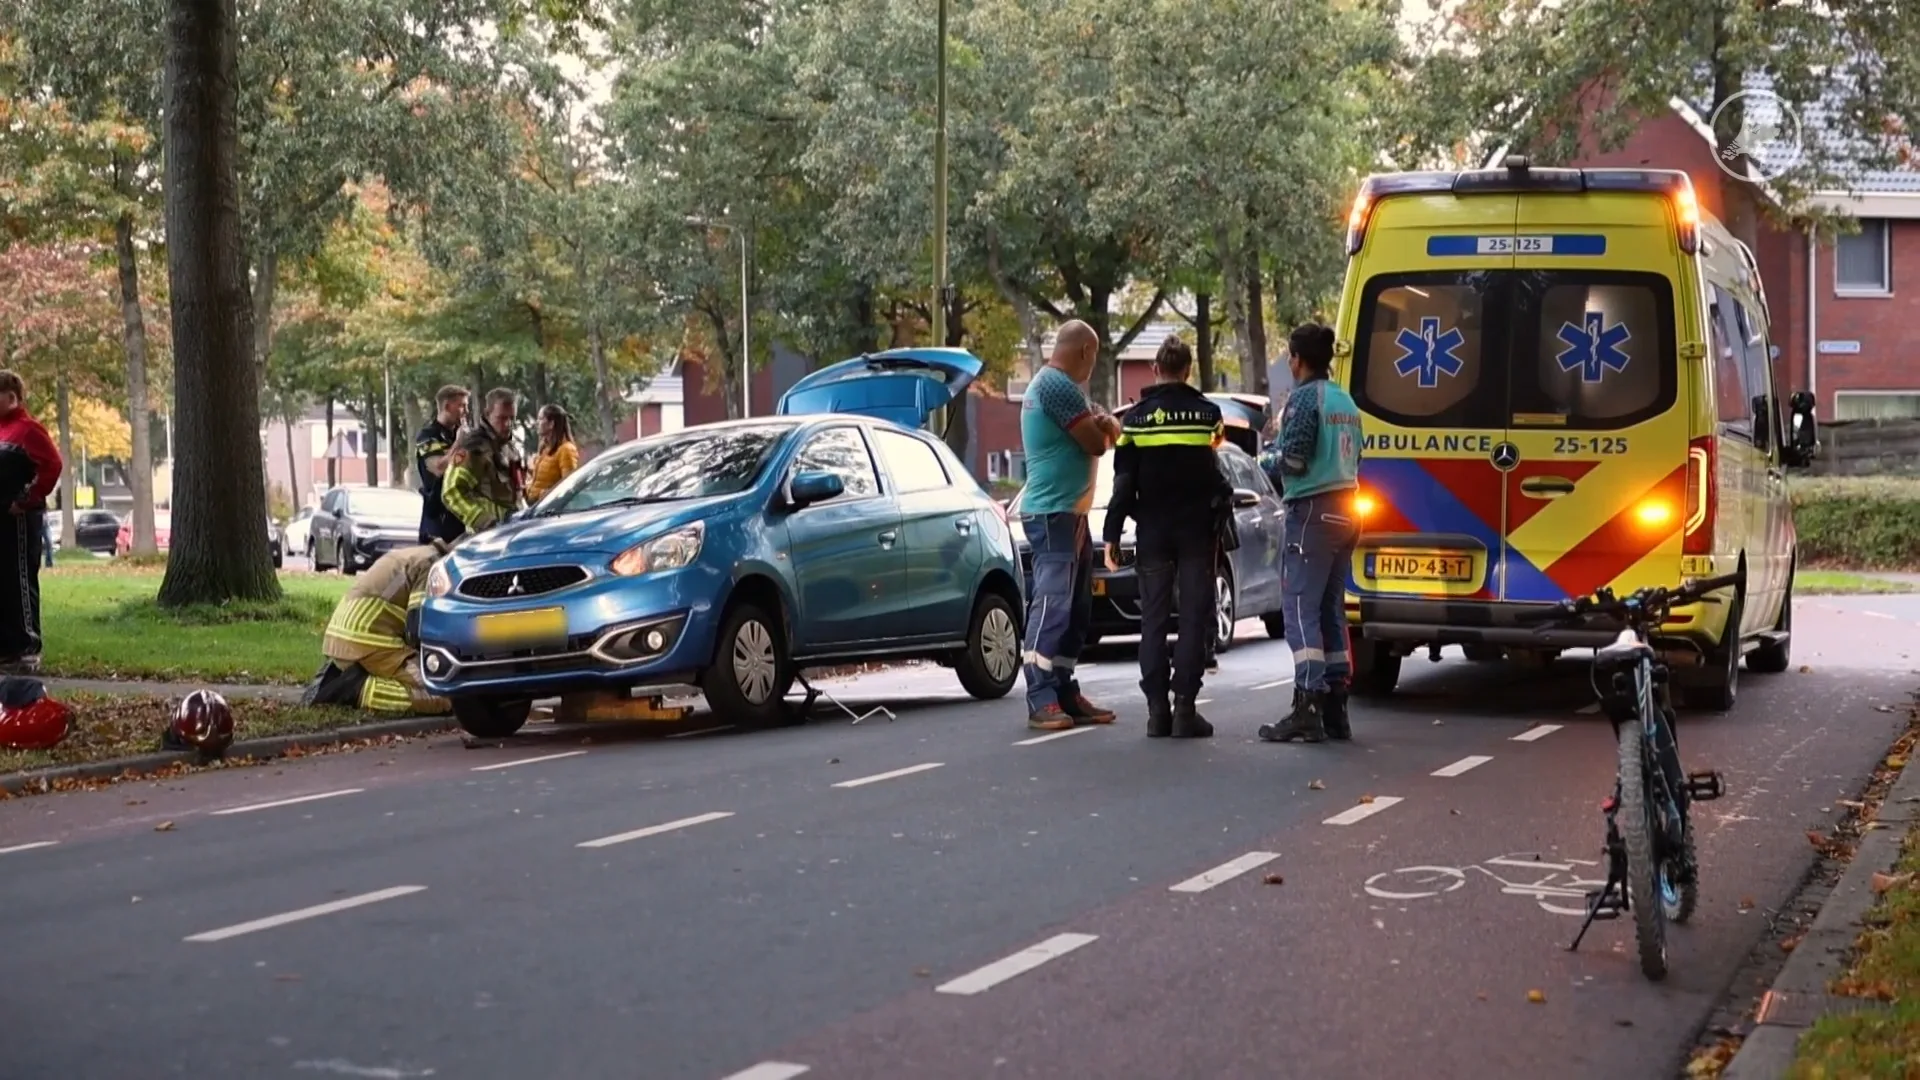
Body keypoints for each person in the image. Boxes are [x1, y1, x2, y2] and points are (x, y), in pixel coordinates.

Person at [1102, 336, 1232, 738]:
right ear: (1188, 370)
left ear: (1156, 369)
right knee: (1193, 617)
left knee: (1153, 620)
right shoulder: (1209, 415)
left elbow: (1123, 484)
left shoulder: (1134, 421)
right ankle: (1185, 710)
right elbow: (1213, 461)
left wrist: (1111, 534)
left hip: (1153, 531)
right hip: (1196, 531)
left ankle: (1157, 710)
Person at [1259, 323, 1366, 744]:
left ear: (1296, 360)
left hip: (1312, 513)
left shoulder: (1304, 400)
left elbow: (1296, 461)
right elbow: (1359, 452)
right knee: (1330, 609)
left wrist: (1265, 463)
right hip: (1348, 509)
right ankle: (1336, 708)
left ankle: (1306, 704)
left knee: (1300, 608)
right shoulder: (1345, 400)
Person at [1017, 319, 1122, 732]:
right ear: (1085, 352)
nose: (1091, 370)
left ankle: (1063, 687)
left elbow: (1100, 425)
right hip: (1053, 514)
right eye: (1093, 360)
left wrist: (1103, 424)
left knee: (1077, 609)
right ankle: (1040, 694)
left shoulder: (1057, 388)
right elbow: (1097, 440)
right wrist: (1106, 426)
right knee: (1053, 604)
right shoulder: (1056, 387)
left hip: (1070, 514)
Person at [302, 541, 454, 717]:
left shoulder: (414, 554)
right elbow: (417, 625)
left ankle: (341, 675)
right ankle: (357, 689)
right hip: (370, 639)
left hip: (341, 635)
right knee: (440, 693)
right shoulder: (433, 565)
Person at [0, 371, 62, 675]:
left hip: (20, 517)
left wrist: (26, 498)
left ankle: (26, 646)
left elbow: (52, 465)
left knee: (19, 579)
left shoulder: (28, 431)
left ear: (11, 397)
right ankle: (6, 647)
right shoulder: (2, 432)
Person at [414, 385, 470, 544]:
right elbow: (438, 468)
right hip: (438, 518)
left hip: (461, 515)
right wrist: (459, 443)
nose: (466, 411)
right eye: (462, 406)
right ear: (447, 406)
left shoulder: (460, 434)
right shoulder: (428, 436)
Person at [441, 428, 519, 536]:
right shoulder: (474, 446)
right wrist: (482, 520)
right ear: (486, 415)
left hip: (509, 530)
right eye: (501, 418)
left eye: (511, 418)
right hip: (486, 537)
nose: (507, 424)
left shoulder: (508, 448)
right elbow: (451, 491)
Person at [526, 404, 581, 503]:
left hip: (549, 508)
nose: (537, 423)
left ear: (551, 424)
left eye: (540, 419)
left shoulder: (566, 450)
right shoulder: (545, 448)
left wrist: (542, 495)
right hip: (535, 506)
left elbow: (568, 487)